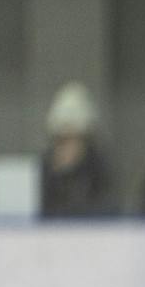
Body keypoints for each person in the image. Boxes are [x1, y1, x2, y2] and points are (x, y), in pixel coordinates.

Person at [39, 81, 115, 218]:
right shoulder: (45, 170)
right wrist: (59, 176)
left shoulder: (99, 172)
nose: (65, 148)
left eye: (72, 138)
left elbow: (105, 211)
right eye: (61, 140)